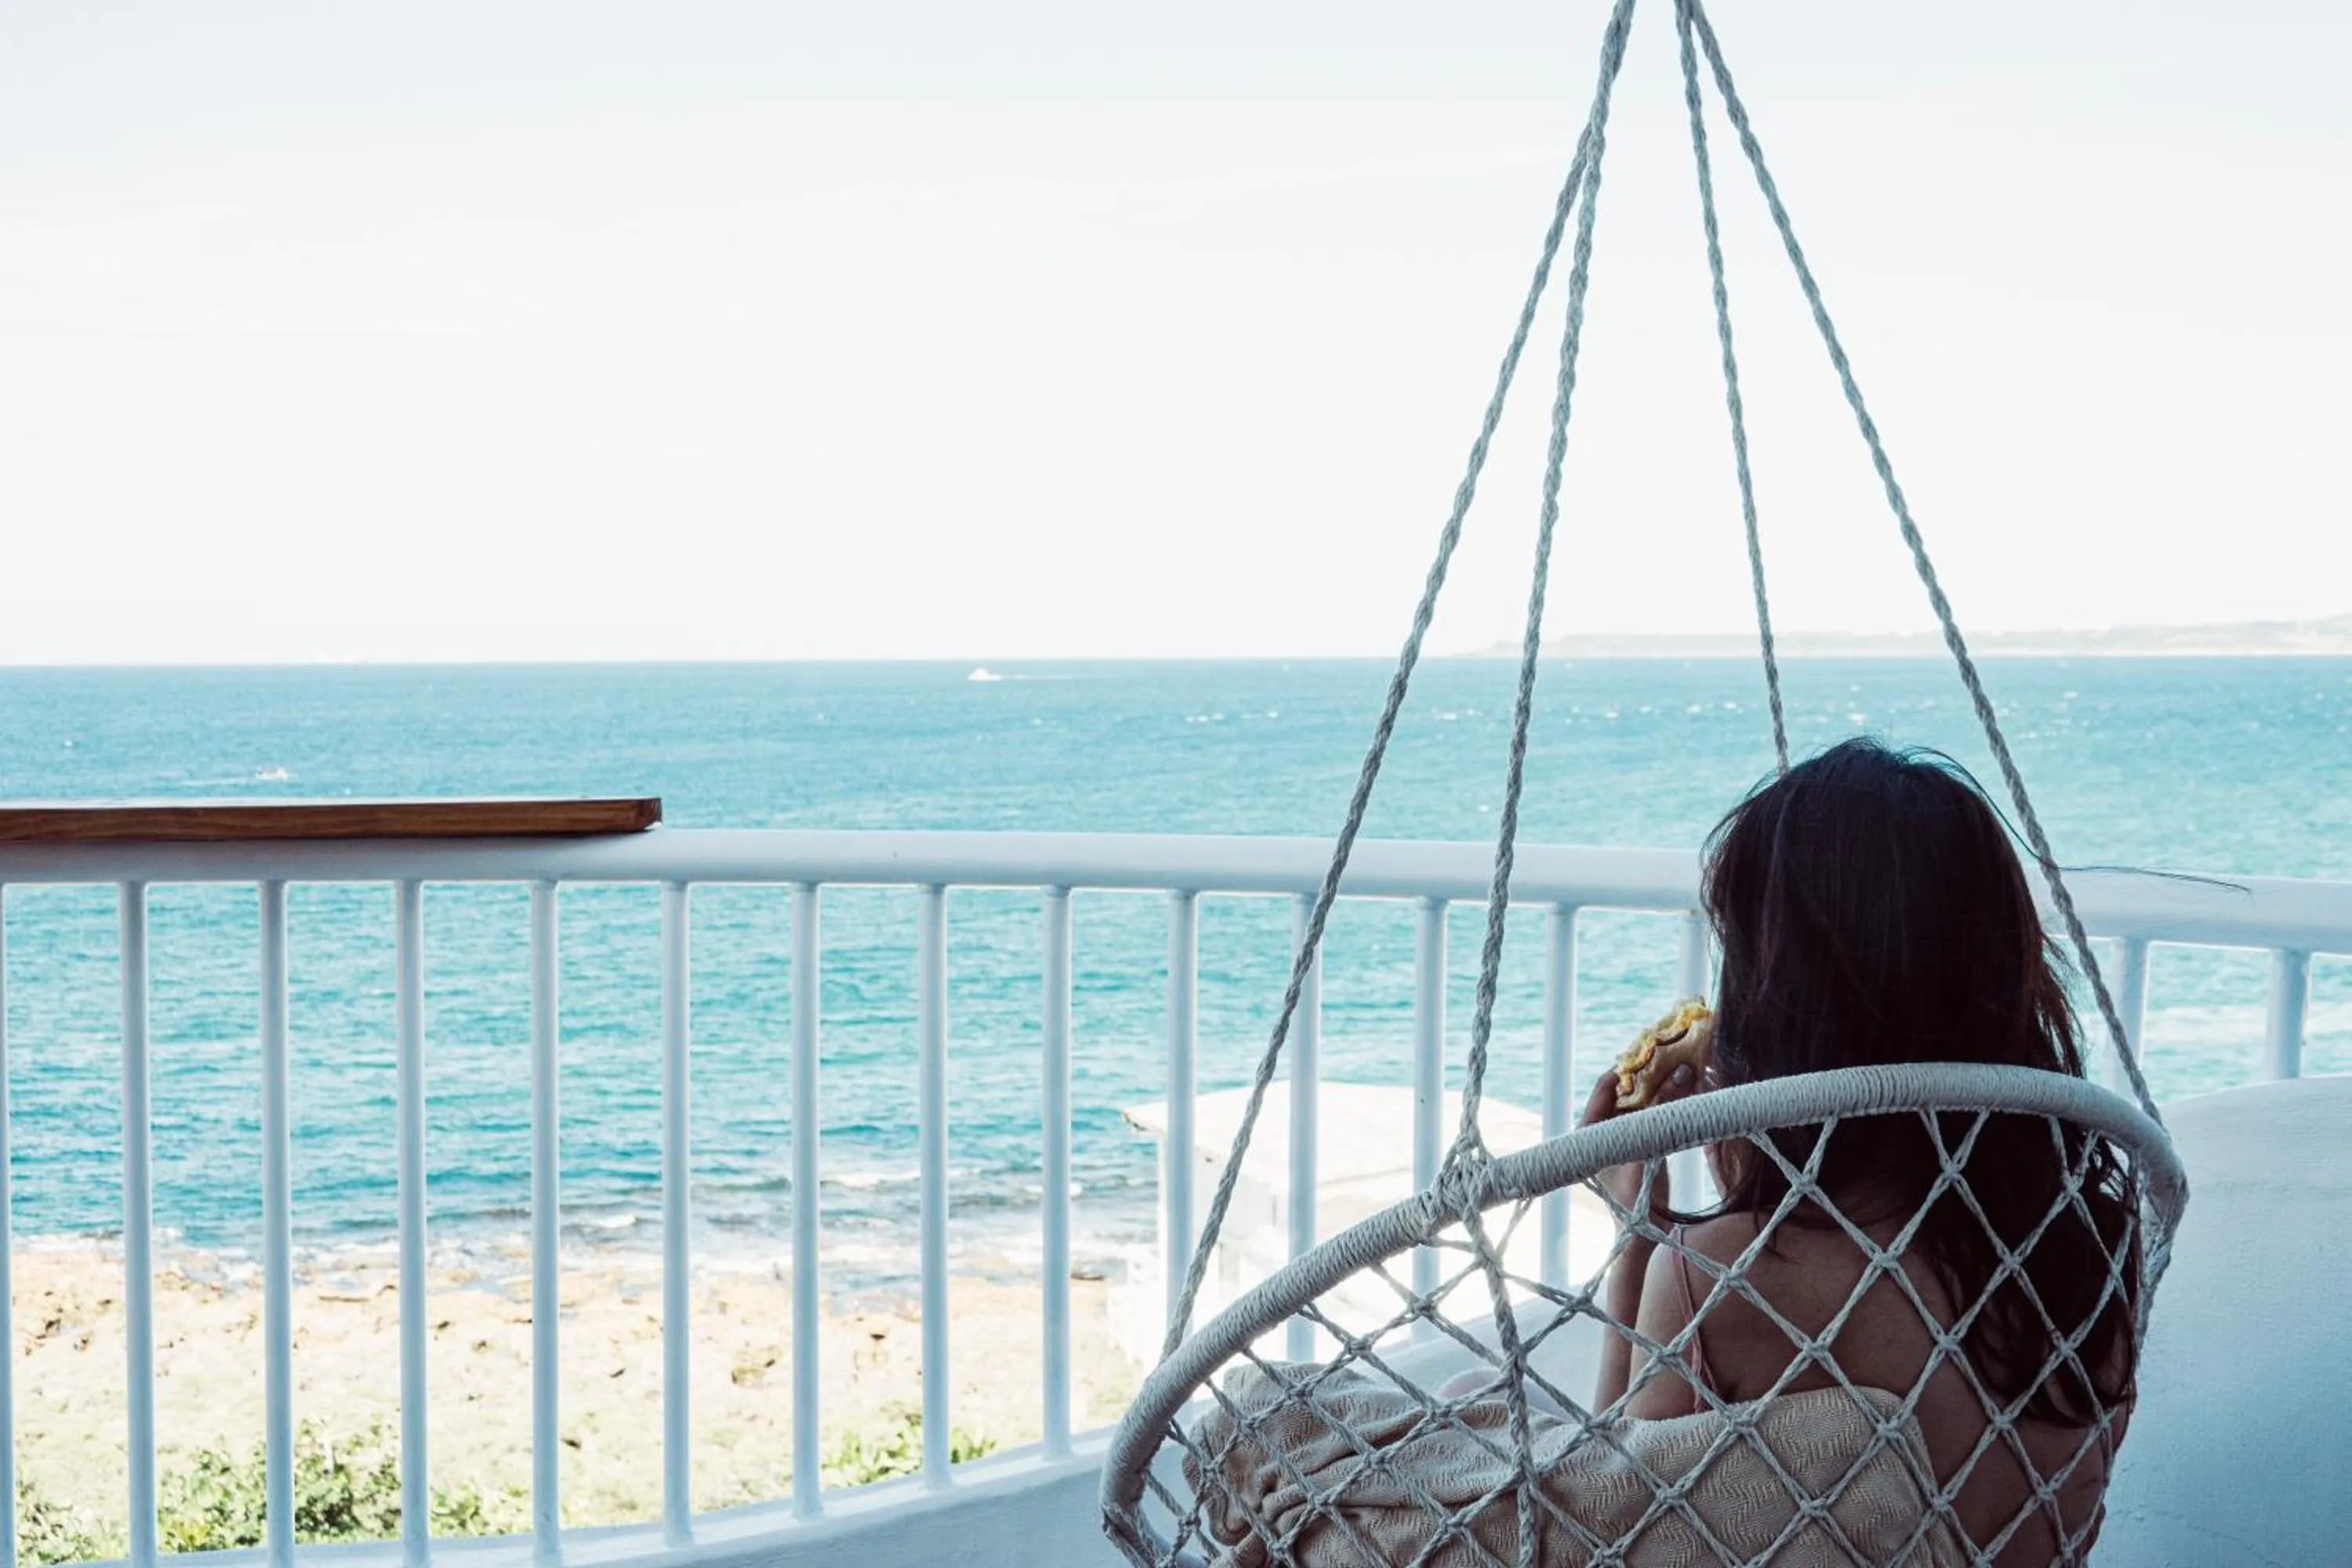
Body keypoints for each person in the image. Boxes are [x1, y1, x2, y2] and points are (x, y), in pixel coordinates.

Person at [1579, 738, 2140, 1563]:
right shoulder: (2090, 1244)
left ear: (1781, 1004)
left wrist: (1639, 1234)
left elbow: (1608, 1526)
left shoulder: (1720, 1278)